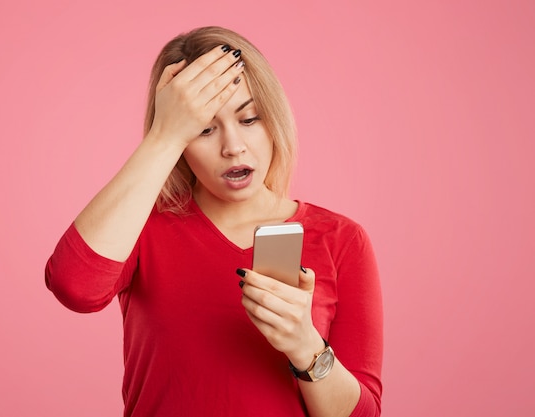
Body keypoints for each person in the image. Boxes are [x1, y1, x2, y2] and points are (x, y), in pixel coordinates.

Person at [45, 26, 383, 417]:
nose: (233, 146)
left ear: (273, 117)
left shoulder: (343, 240)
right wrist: (163, 136)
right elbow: (73, 286)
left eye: (250, 118)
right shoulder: (141, 227)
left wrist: (306, 346)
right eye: (204, 128)